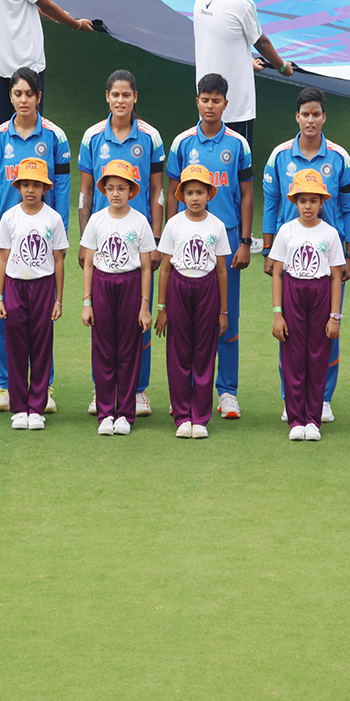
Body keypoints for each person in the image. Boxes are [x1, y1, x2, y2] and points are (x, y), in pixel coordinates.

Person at [261, 86, 350, 423]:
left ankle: (323, 399)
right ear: (297, 117)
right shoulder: (279, 156)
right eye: (305, 114)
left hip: (328, 260)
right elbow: (271, 204)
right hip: (288, 258)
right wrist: (268, 251)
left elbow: (349, 207)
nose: (311, 120)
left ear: (324, 117)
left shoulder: (339, 157)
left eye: (317, 114)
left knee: (327, 330)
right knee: (288, 330)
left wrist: (349, 255)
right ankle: (292, 397)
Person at [0, 67, 71, 412]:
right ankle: (5, 386)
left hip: (43, 240)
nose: (22, 100)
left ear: (38, 96)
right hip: (7, 241)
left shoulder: (55, 137)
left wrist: (57, 234)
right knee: (6, 313)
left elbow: (61, 189)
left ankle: (43, 387)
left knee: (43, 318)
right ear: (11, 97)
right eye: (17, 94)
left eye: (28, 94)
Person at [78, 69, 166, 415]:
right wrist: (85, 242)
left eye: (126, 95)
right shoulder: (92, 137)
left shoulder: (151, 137)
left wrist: (156, 240)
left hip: (137, 242)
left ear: (135, 98)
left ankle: (138, 390)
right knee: (100, 320)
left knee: (137, 320)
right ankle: (102, 391)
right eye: (115, 94)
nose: (120, 100)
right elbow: (85, 193)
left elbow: (158, 191)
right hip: (101, 241)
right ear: (107, 97)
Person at [166, 74, 254, 418]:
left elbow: (246, 194)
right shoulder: (182, 144)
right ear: (197, 101)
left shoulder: (239, 145)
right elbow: (172, 192)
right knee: (186, 319)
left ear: (226, 104)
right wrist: (167, 242)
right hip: (186, 242)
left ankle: (227, 391)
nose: (210, 106)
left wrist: (245, 241)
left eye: (216, 100)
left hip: (227, 241)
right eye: (205, 99)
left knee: (225, 316)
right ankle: (188, 388)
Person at [156, 163, 232, 439]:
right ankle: (181, 415)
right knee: (178, 352)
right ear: (182, 195)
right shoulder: (174, 224)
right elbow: (164, 268)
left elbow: (222, 269)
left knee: (204, 352)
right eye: (189, 192)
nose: (195, 198)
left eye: (200, 192)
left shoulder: (217, 226)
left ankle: (200, 416)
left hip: (207, 287)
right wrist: (161, 307)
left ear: (209, 195)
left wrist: (223, 310)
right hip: (179, 286)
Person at [80, 160, 156, 436]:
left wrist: (145, 305)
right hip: (102, 285)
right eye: (110, 188)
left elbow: (147, 266)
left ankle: (124, 412)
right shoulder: (97, 220)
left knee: (128, 350)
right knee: (103, 350)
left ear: (131, 191)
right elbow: (88, 263)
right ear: (104, 190)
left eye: (121, 188)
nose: (115, 193)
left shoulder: (140, 221)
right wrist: (87, 303)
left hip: (130, 285)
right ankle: (105, 412)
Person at [192, 0, 293, 145]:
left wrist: (248, 63)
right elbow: (262, 43)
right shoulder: (242, 4)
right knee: (238, 167)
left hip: (207, 103)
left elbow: (220, 41)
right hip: (235, 108)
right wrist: (283, 67)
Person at [0, 157, 68, 430]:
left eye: (36, 185)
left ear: (45, 188)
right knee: (15, 347)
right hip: (15, 287)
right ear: (18, 187)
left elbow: (59, 259)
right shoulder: (9, 217)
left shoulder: (54, 218)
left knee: (41, 346)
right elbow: (3, 258)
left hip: (43, 287)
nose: (30, 190)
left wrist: (58, 299)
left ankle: (36, 407)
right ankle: (19, 406)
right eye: (25, 184)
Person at [269, 169, 343, 442]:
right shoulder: (286, 232)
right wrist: (278, 313)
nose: (308, 206)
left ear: (322, 203)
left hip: (320, 292)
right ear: (295, 202)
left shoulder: (330, 233)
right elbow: (277, 273)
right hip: (293, 292)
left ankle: (312, 419)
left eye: (313, 200)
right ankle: (295, 417)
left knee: (317, 355)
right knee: (293, 356)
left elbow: (336, 276)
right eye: (303, 201)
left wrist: (335, 316)